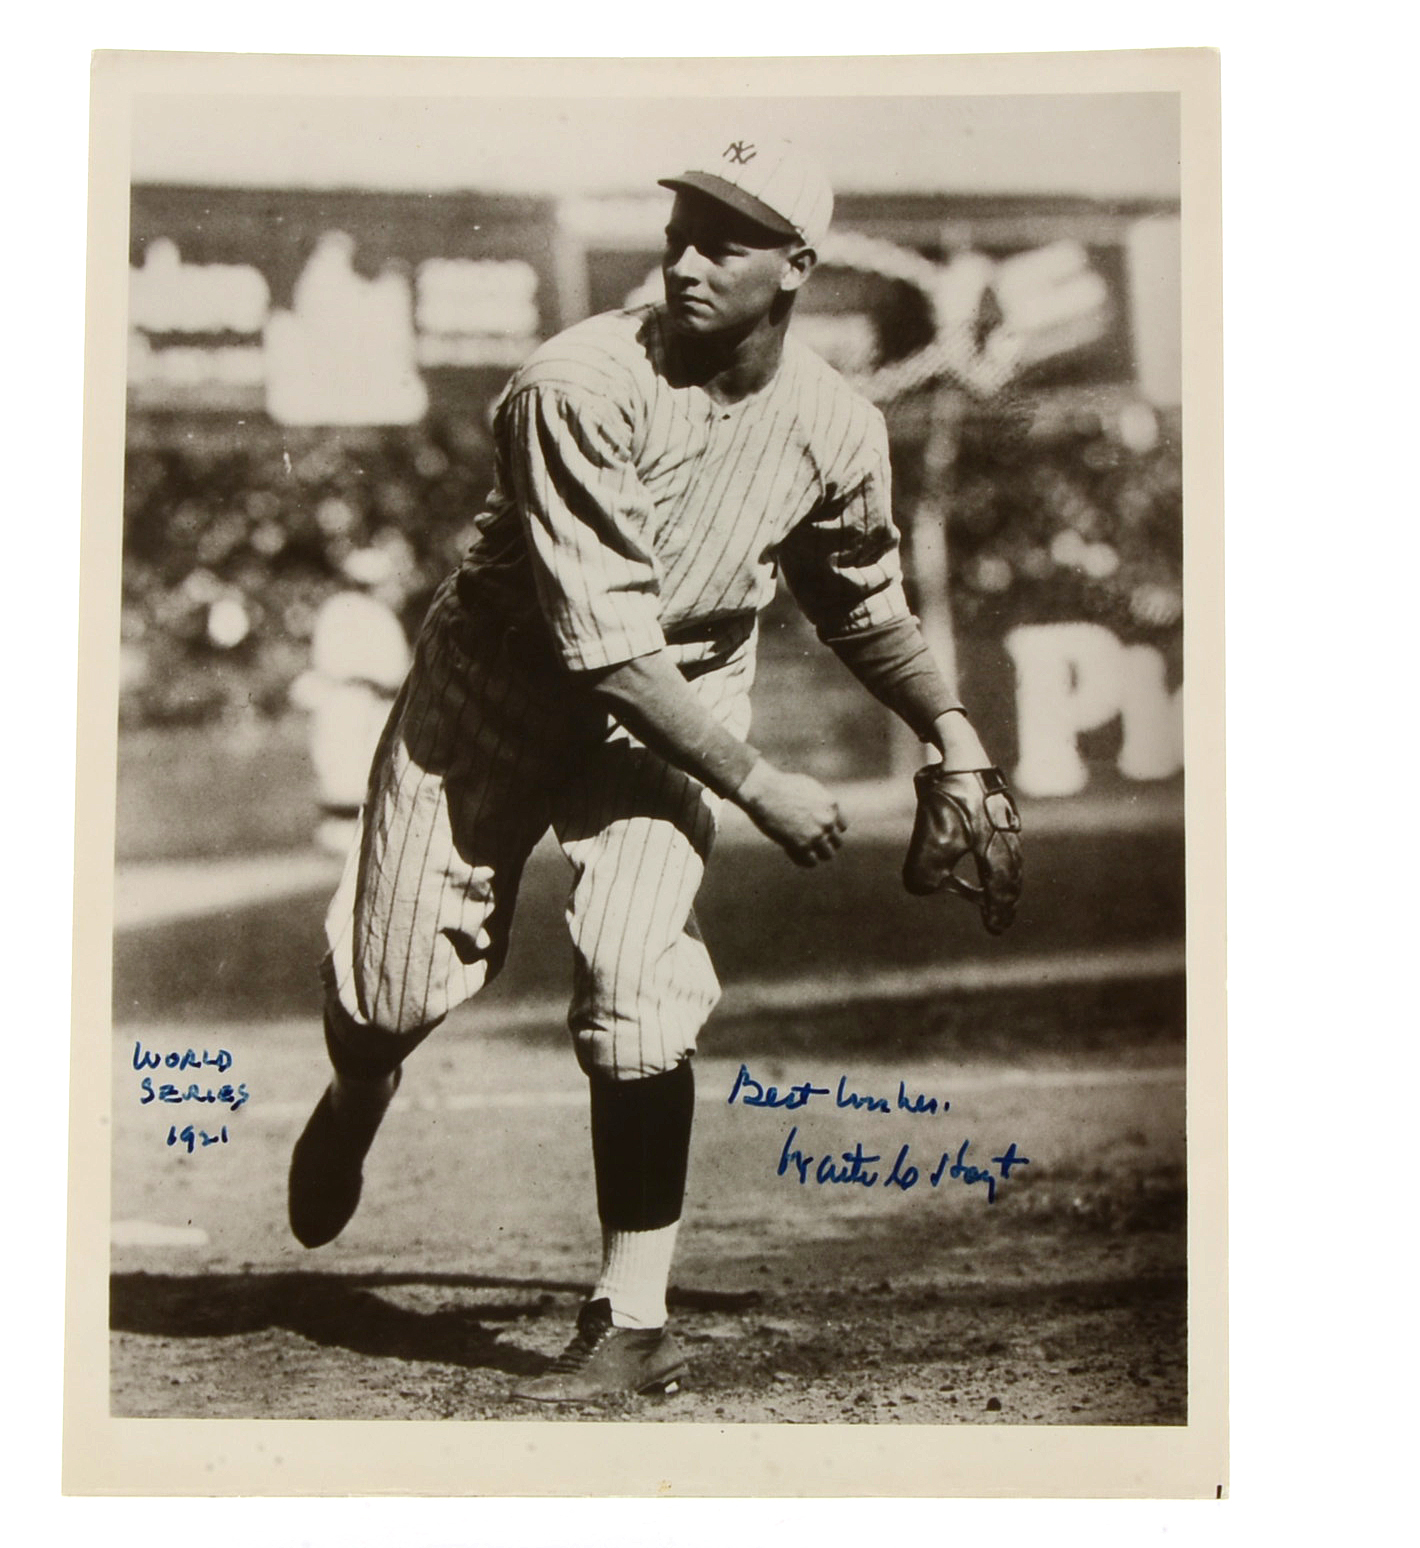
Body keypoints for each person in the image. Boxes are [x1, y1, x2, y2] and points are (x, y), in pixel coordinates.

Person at [288, 136, 1001, 1403]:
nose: (685, 258)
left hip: (683, 690)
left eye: (726, 239)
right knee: (392, 993)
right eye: (679, 228)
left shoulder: (836, 424)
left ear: (796, 266)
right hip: (500, 684)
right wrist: (759, 783)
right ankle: (359, 1085)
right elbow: (602, 649)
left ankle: (631, 1314)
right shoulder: (574, 384)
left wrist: (957, 733)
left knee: (635, 974)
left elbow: (865, 606)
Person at [290, 543, 413, 853]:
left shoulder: (368, 612)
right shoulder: (348, 610)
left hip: (366, 700)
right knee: (343, 763)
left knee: (362, 762)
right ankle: (342, 831)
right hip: (348, 699)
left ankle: (357, 830)